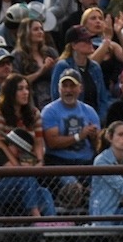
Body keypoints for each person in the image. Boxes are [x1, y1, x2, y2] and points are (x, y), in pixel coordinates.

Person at [42, 71, 99, 206]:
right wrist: (79, 136)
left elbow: (97, 145)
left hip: (86, 164)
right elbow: (52, 143)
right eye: (65, 86)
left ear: (80, 88)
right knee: (73, 188)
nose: (68, 90)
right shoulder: (50, 111)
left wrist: (94, 137)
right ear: (59, 88)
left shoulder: (89, 111)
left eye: (72, 86)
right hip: (60, 164)